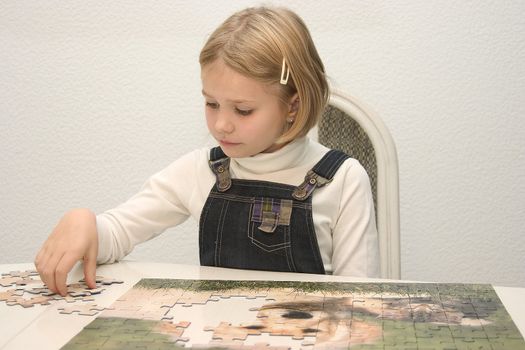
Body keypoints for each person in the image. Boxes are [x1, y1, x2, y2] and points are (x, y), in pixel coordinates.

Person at [35, 6, 379, 296]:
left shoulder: (344, 180)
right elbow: (118, 233)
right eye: (211, 103)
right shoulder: (201, 170)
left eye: (242, 110)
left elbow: (359, 303)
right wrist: (85, 223)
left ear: (293, 106)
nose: (221, 125)